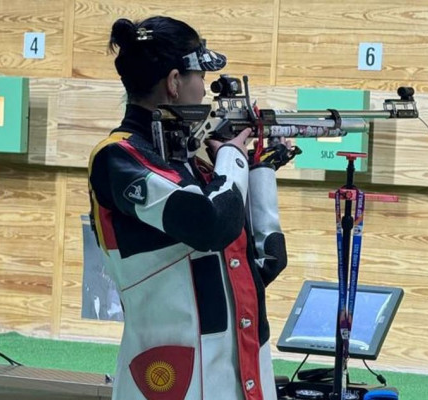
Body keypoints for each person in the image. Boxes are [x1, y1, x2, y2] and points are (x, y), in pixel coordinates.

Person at [88, 15, 295, 400]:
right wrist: (232, 158)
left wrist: (260, 171)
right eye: (201, 76)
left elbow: (264, 264)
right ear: (174, 82)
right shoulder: (118, 159)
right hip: (170, 381)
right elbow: (211, 225)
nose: (204, 91)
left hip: (239, 377)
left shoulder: (196, 168)